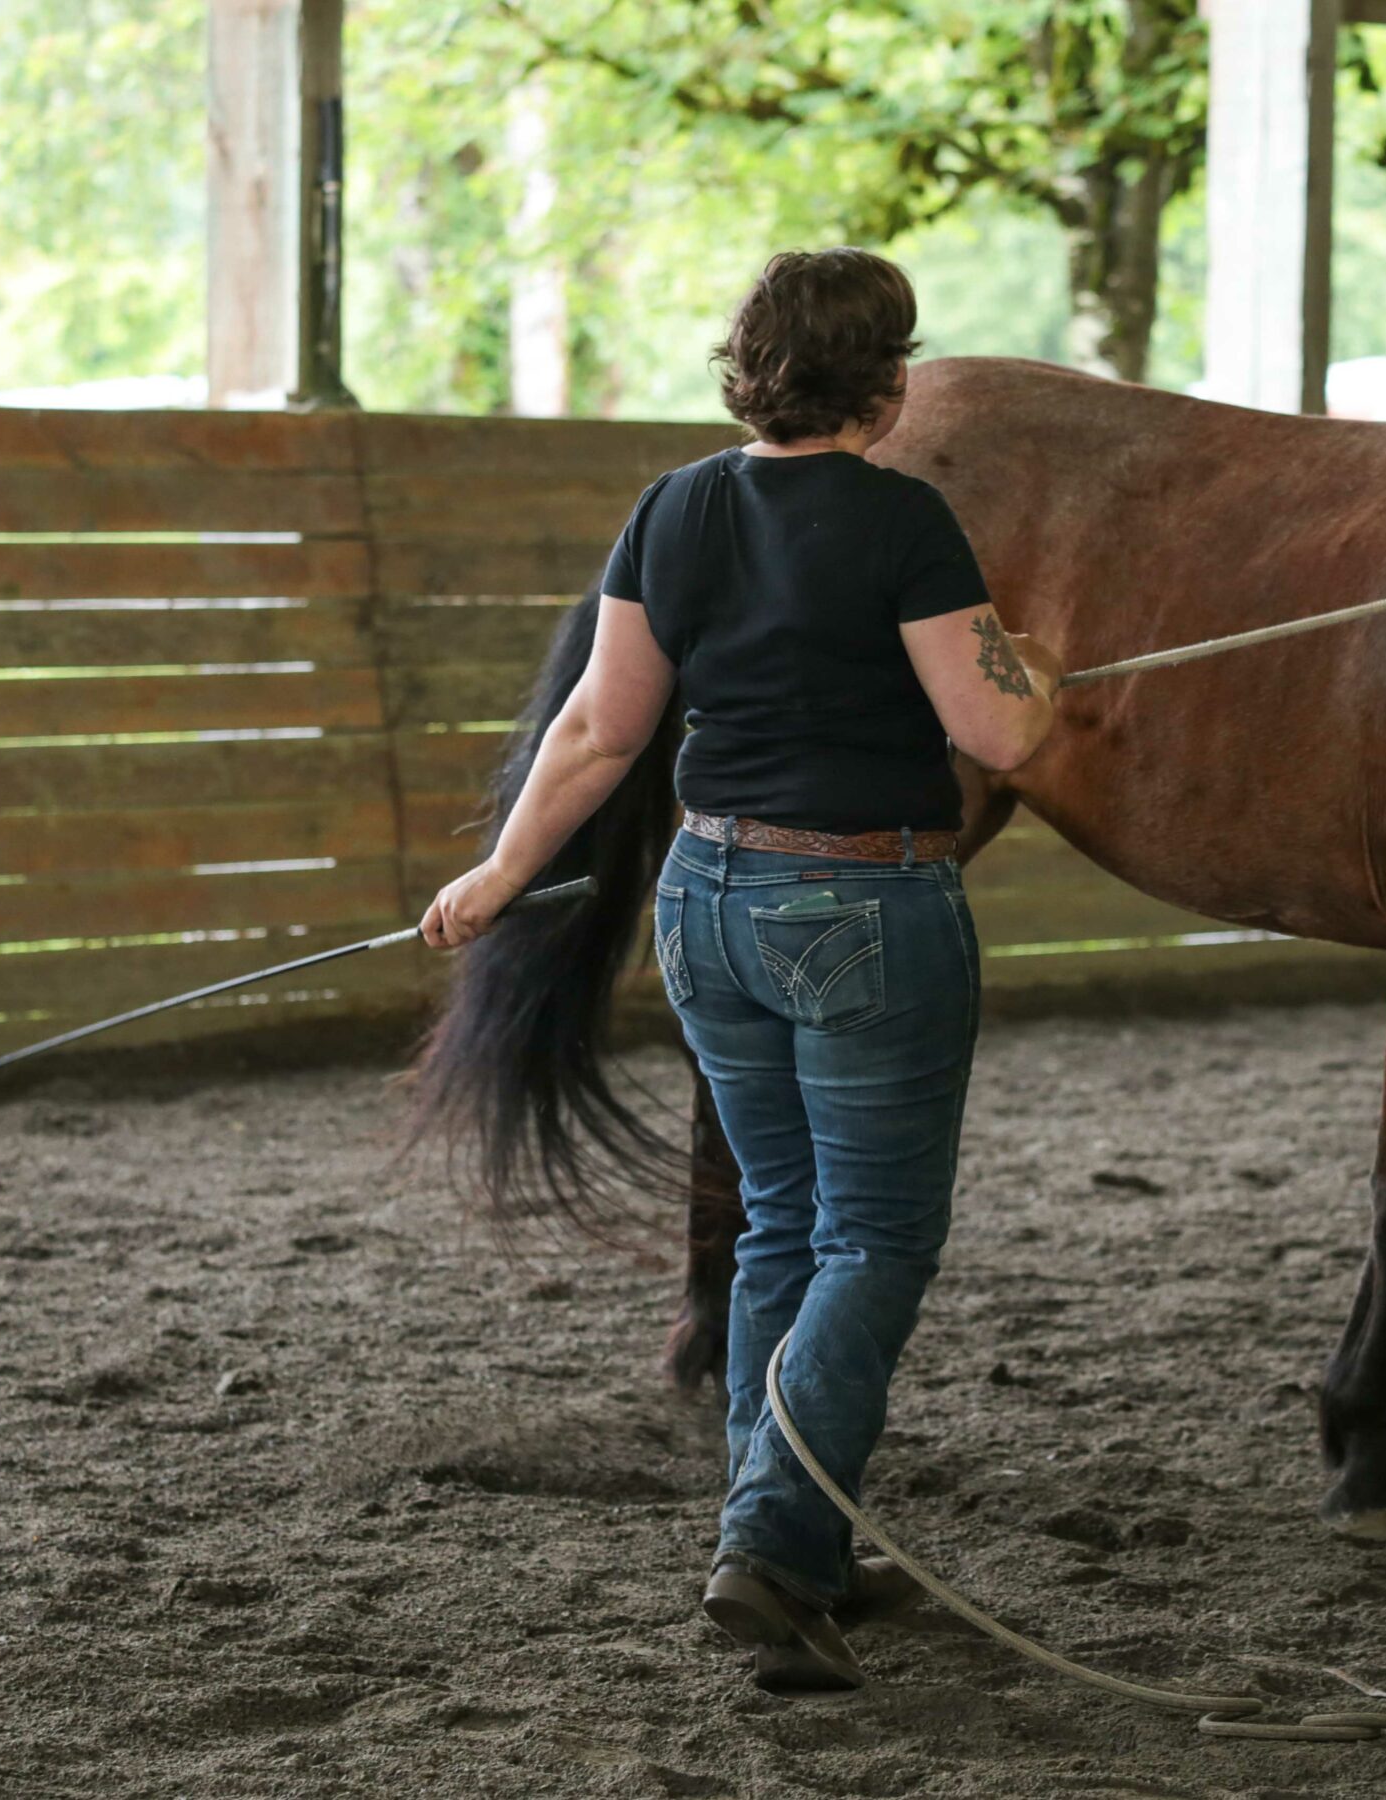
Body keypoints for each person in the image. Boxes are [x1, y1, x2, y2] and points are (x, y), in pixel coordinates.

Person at [416, 248, 1062, 1693]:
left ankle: (797, 1551)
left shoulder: (675, 507)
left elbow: (597, 729)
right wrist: (1039, 666)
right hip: (862, 907)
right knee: (876, 1241)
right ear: (887, 383)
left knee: (779, 1224)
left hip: (705, 897)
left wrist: (502, 873)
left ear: (750, 366)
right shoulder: (907, 523)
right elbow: (1008, 737)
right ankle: (774, 1538)